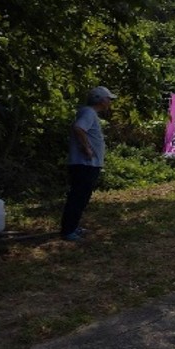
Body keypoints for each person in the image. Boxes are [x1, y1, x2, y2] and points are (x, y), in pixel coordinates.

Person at [60, 86, 116, 242]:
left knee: (82, 197)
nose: (110, 102)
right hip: (84, 164)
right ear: (100, 99)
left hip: (87, 164)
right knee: (78, 197)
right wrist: (86, 148)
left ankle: (73, 226)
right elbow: (78, 128)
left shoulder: (90, 113)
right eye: (108, 98)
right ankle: (68, 230)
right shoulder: (89, 112)